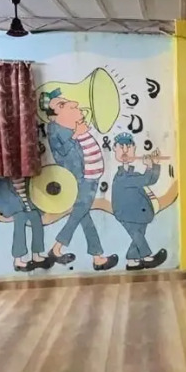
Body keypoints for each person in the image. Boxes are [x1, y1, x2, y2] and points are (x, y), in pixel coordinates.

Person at [43, 88, 118, 271]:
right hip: (81, 178)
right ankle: (57, 248)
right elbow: (63, 153)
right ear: (53, 116)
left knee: (83, 216)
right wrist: (77, 134)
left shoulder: (69, 126)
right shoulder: (56, 130)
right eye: (61, 105)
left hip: (90, 176)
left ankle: (97, 257)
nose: (73, 105)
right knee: (79, 214)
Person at [111, 133, 167, 271]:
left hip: (138, 214)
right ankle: (147, 258)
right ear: (114, 149)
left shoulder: (133, 174)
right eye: (121, 147)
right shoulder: (121, 177)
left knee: (138, 235)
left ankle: (132, 261)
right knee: (138, 236)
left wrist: (154, 165)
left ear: (134, 149)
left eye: (129, 147)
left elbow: (150, 180)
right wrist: (150, 166)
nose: (125, 150)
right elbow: (145, 179)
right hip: (126, 214)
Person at [0, 176, 54, 272]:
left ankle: (36, 255)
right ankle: (18, 260)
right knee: (19, 232)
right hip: (17, 209)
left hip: (30, 206)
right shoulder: (4, 179)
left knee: (37, 226)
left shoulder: (26, 174)